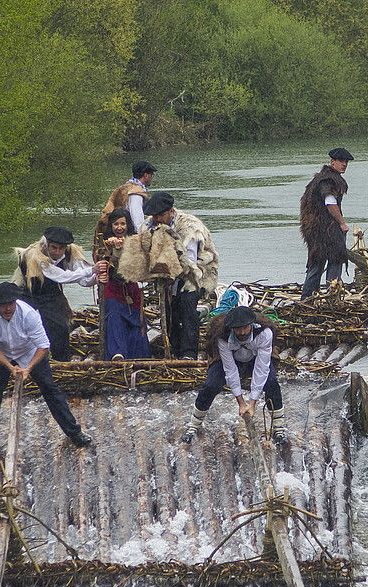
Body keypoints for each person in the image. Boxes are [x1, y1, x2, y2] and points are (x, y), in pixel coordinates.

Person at [0, 282, 91, 452]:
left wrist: (28, 368)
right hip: (3, 354)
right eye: (3, 305)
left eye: (10, 304)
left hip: (30, 351)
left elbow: (43, 345)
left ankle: (75, 433)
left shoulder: (28, 314)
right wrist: (11, 367)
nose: (7, 309)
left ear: (16, 302)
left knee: (49, 387)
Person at [181, 305, 287, 445]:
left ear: (251, 325)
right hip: (232, 359)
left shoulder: (265, 333)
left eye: (245, 328)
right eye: (237, 329)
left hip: (255, 358)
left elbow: (261, 368)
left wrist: (252, 402)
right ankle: (193, 425)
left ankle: (278, 428)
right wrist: (241, 403)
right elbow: (230, 369)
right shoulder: (222, 337)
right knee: (211, 385)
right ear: (231, 328)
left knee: (271, 383)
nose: (242, 332)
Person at [142, 192, 219, 360]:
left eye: (161, 215)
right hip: (168, 275)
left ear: (170, 211)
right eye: (154, 216)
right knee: (170, 310)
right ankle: (173, 348)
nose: (158, 219)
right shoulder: (150, 225)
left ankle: (188, 353)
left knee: (187, 308)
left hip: (197, 273)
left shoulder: (190, 228)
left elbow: (189, 262)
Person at [12, 227, 100, 361]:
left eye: (61, 248)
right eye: (54, 247)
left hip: (52, 295)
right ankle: (22, 360)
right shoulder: (35, 255)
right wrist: (91, 270)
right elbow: (61, 276)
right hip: (30, 294)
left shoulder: (70, 253)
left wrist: (96, 276)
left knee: (61, 328)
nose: (57, 252)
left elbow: (83, 280)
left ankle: (61, 360)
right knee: (26, 329)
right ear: (47, 244)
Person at [93, 208, 151, 360]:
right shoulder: (103, 243)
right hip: (112, 288)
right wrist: (110, 249)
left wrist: (126, 246)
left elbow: (141, 265)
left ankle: (139, 356)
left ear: (128, 225)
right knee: (114, 316)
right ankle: (117, 353)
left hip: (131, 289)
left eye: (123, 224)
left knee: (136, 322)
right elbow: (98, 263)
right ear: (111, 226)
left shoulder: (135, 242)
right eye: (116, 224)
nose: (119, 228)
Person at [299, 147, 354, 299]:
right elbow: (330, 203)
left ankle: (308, 298)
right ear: (332, 162)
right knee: (336, 259)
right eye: (341, 161)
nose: (344, 164)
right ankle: (332, 296)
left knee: (316, 263)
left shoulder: (319, 178)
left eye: (346, 162)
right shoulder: (329, 180)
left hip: (314, 229)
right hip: (327, 228)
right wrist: (342, 223)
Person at [93, 160, 156, 253]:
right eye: (151, 175)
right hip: (125, 234)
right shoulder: (136, 193)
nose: (152, 178)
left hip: (116, 229)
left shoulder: (126, 187)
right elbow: (138, 221)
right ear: (146, 175)